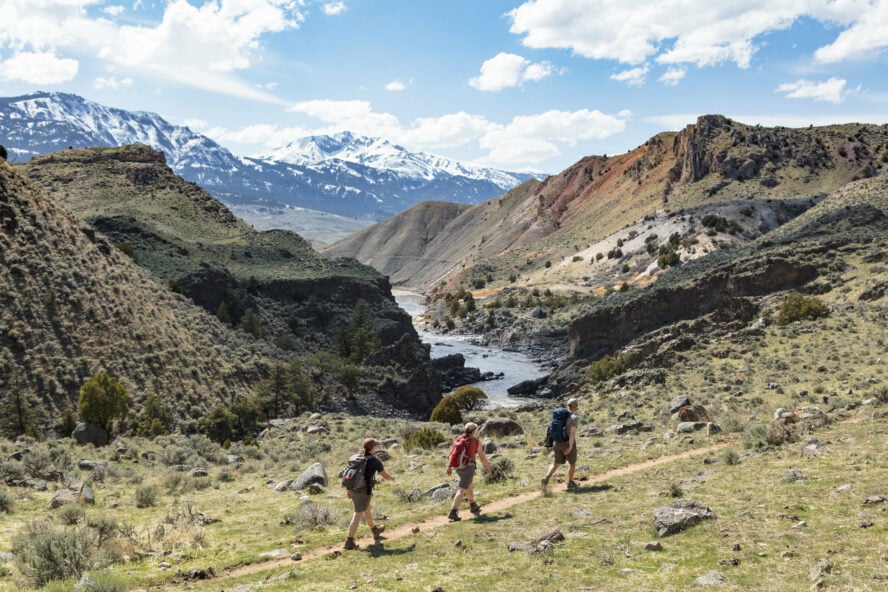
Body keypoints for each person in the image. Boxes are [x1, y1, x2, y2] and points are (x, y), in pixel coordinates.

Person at [344, 438, 394, 550]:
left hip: (354, 488)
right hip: (364, 490)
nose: (376, 448)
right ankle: (349, 541)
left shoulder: (357, 458)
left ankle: (374, 530)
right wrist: (392, 478)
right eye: (375, 446)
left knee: (367, 508)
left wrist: (348, 489)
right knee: (358, 514)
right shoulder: (374, 461)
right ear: (372, 448)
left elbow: (349, 474)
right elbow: (385, 475)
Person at [446, 421, 492, 521]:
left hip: (458, 467)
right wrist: (488, 468)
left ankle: (472, 504)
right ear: (474, 430)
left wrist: (449, 466)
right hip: (468, 467)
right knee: (462, 489)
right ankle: (453, 511)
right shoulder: (476, 441)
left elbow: (452, 453)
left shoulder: (459, 439)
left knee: (468, 485)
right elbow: (482, 457)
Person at [541, 398, 579, 491]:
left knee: (556, 463)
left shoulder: (559, 415)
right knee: (572, 464)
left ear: (567, 405)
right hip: (567, 443)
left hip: (557, 442)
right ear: (576, 407)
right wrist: (570, 447)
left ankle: (546, 478)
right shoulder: (574, 418)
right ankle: (570, 483)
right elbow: (572, 433)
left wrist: (554, 442)